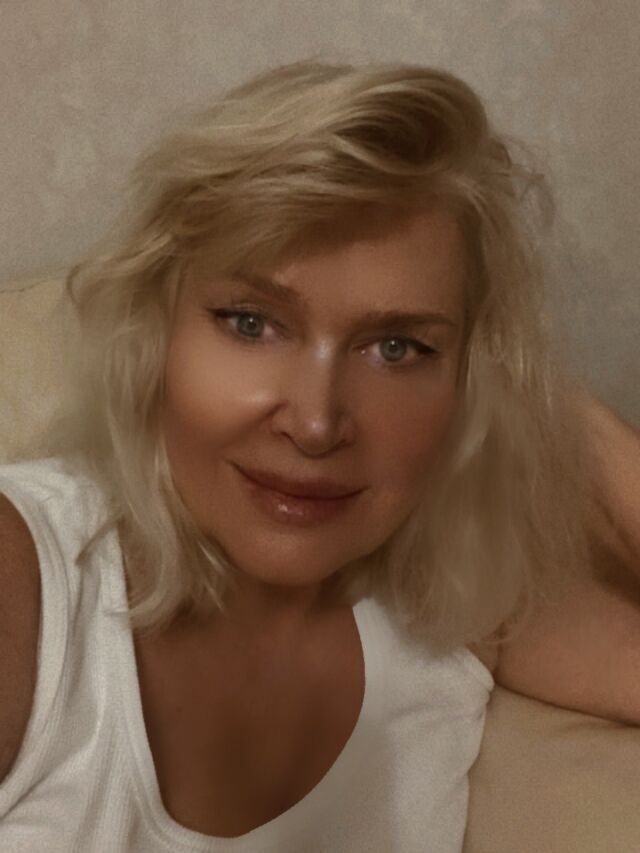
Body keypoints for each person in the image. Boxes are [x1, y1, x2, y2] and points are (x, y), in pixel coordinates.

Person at [0, 57, 638, 852]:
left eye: (398, 347)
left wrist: (559, 412)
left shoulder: (456, 606)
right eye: (251, 323)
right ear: (156, 331)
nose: (314, 423)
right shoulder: (26, 577)